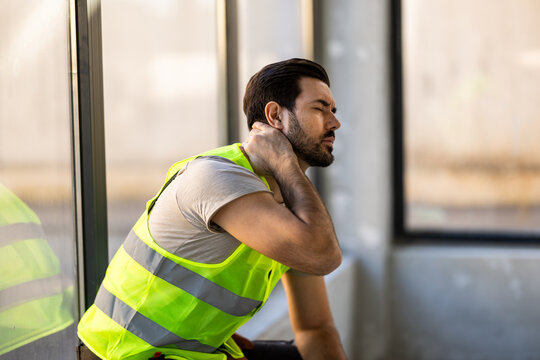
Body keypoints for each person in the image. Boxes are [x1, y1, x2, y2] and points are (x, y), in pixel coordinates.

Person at [77, 58, 346, 360]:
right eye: (320, 108)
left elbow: (316, 327)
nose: (334, 122)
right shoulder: (217, 178)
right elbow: (324, 256)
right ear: (275, 116)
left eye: (333, 111)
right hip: (127, 355)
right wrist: (285, 162)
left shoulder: (289, 204)